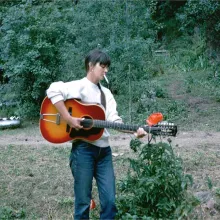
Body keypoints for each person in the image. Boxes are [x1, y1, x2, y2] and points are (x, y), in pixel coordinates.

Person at [46, 49, 146, 220]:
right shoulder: (78, 86)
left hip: (104, 153)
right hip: (83, 151)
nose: (106, 70)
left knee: (109, 202)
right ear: (91, 66)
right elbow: (53, 91)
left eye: (107, 67)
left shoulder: (106, 94)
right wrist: (68, 118)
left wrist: (134, 131)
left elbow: (114, 120)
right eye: (102, 66)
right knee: (83, 203)